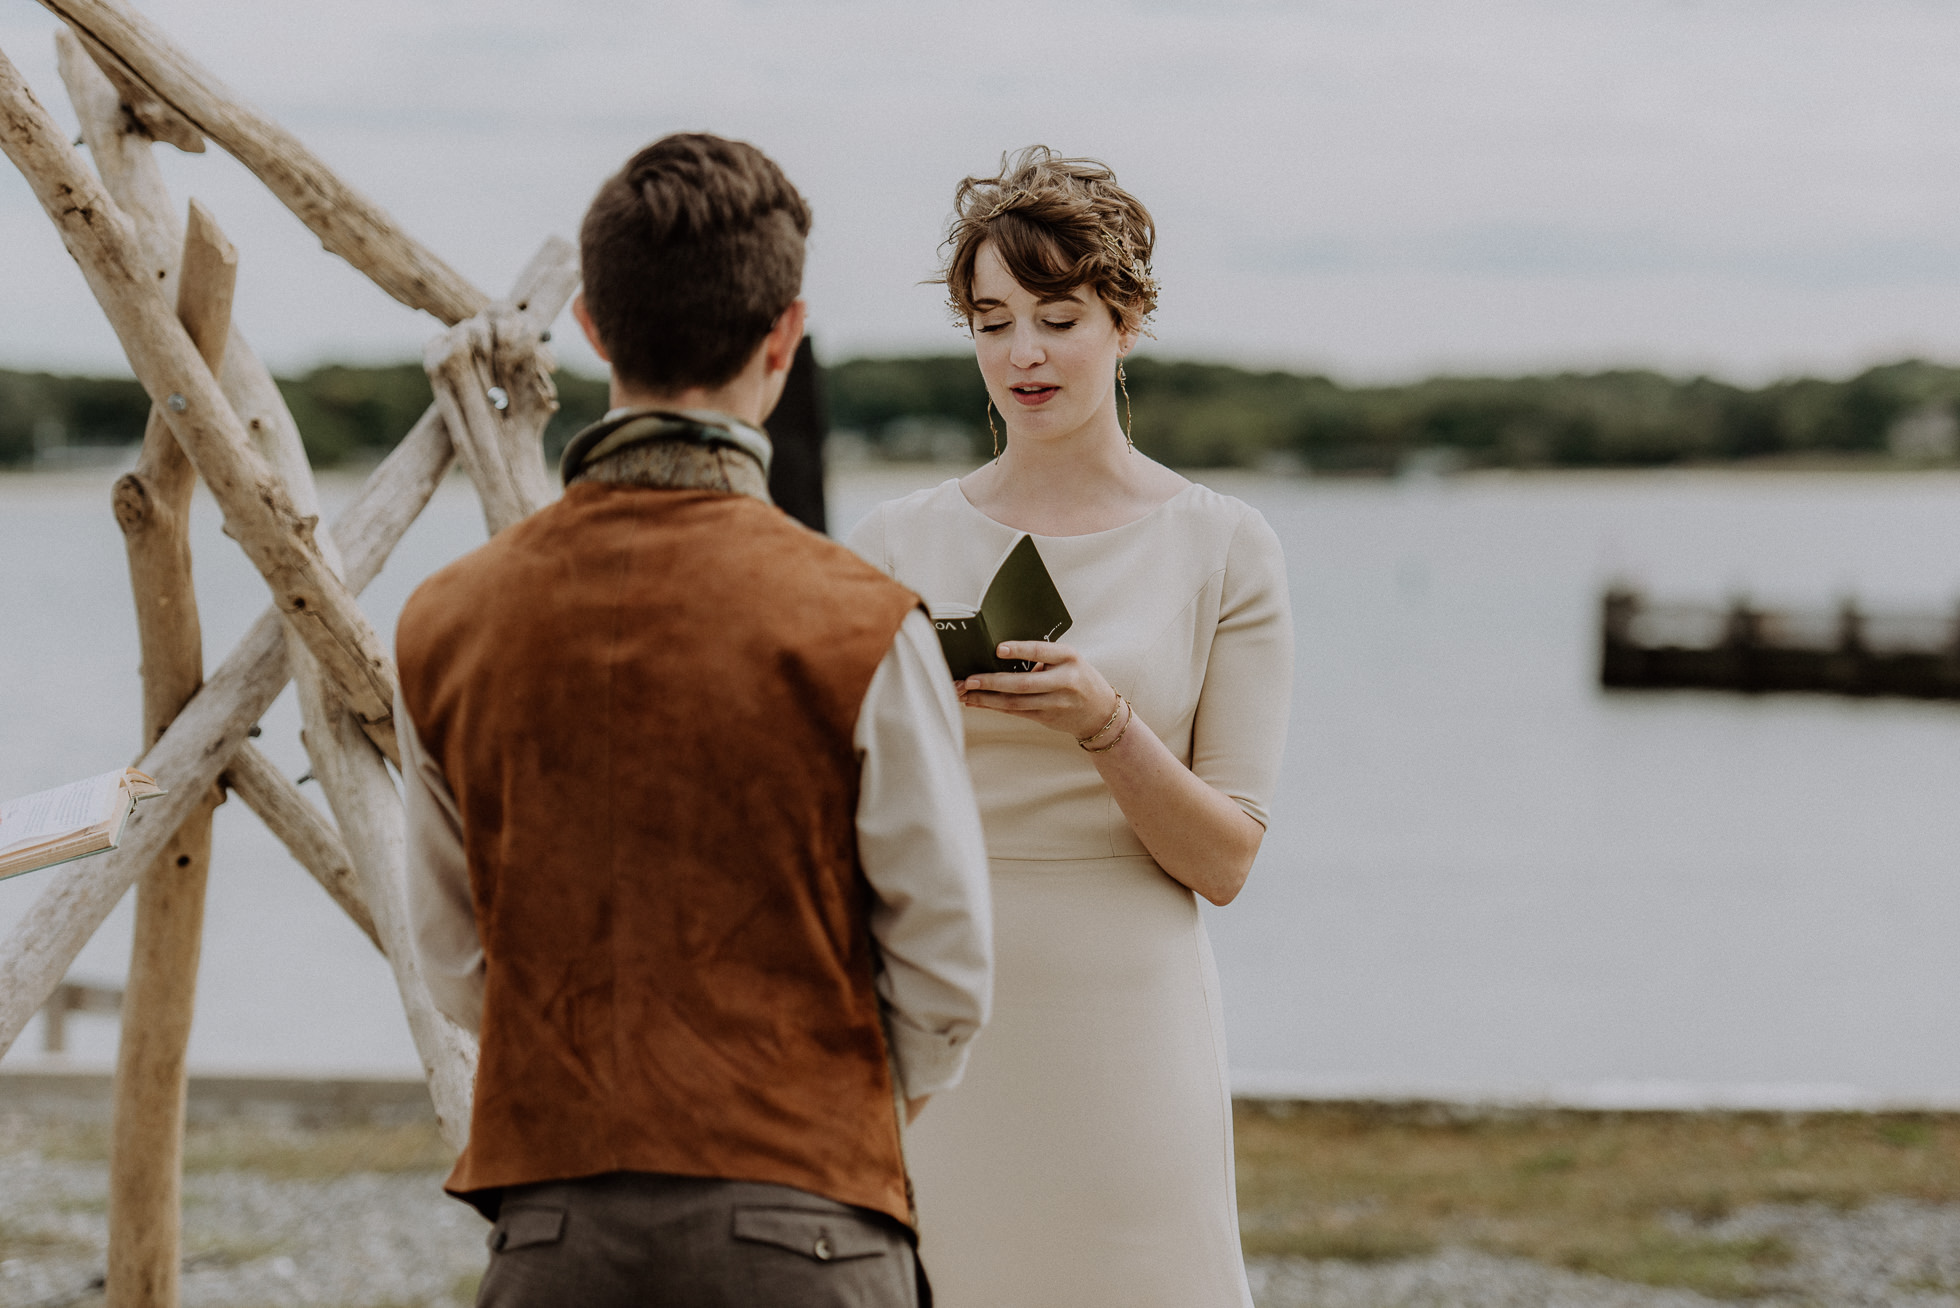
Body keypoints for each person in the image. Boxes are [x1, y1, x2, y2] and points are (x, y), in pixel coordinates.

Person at [395, 132, 993, 1308]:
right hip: (811, 1228)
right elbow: (947, 969)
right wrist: (818, 1119)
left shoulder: (447, 619)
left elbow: (457, 960)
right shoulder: (864, 622)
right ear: (784, 338)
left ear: (591, 328)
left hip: (555, 1235)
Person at [845, 146, 1294, 1307]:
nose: (1023, 354)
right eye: (992, 322)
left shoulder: (1223, 544)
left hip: (1127, 1017)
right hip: (936, 1005)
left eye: (1057, 317)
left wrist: (1108, 726)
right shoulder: (893, 540)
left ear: (1125, 321)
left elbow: (1227, 857)